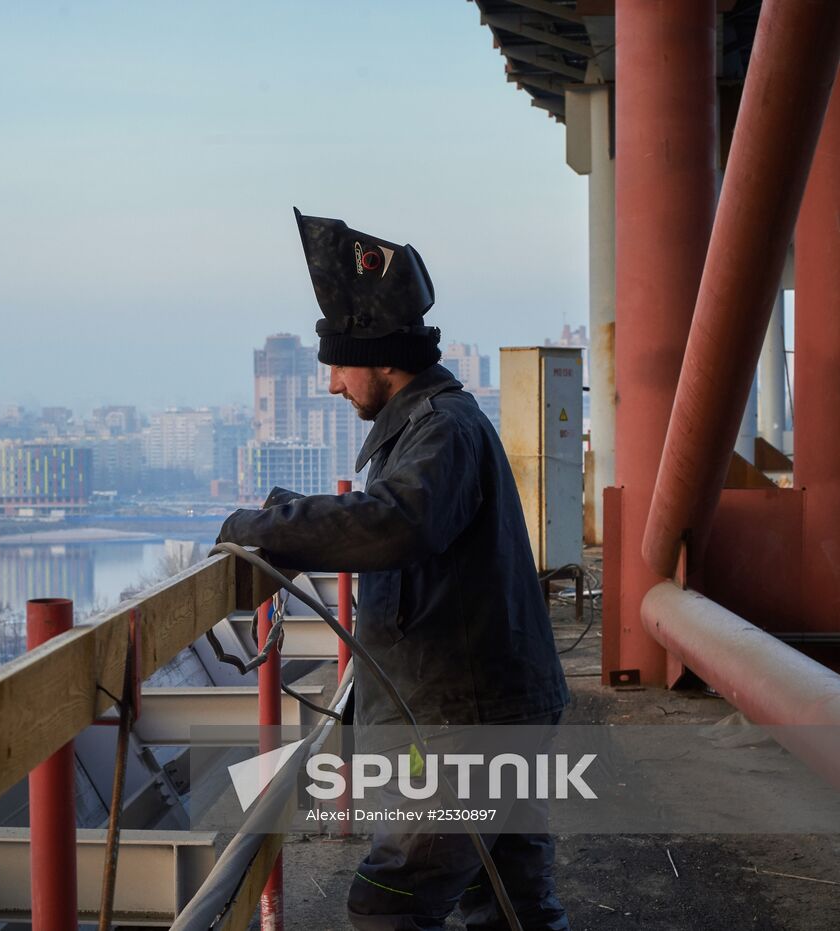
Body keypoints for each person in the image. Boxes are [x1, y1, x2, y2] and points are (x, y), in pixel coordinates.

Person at [217, 209, 571, 930]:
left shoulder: (441, 429)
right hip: (491, 709)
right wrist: (289, 514)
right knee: (510, 904)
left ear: (383, 361)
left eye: (340, 365)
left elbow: (398, 521)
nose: (333, 385)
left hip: (467, 725)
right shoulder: (432, 426)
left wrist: (263, 527)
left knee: (390, 906)